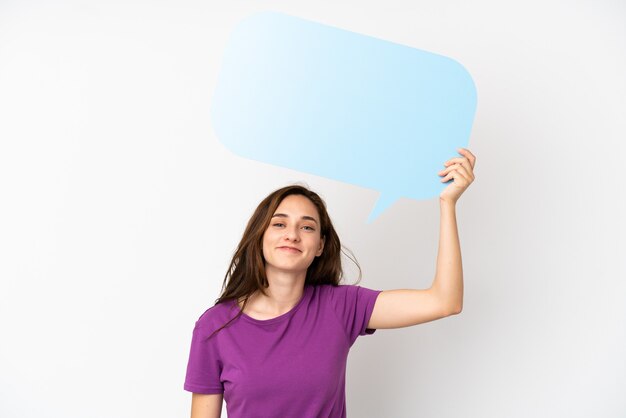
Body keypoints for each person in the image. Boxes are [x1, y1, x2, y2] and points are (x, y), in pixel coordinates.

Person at [184, 148, 477, 418]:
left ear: (320, 245)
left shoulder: (340, 307)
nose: (292, 234)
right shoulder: (215, 326)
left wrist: (447, 204)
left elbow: (445, 301)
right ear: (259, 236)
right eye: (279, 223)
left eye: (307, 226)